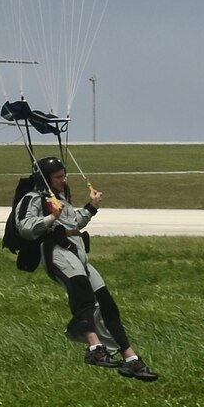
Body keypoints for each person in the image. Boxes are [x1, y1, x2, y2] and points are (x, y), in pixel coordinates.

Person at [10, 156, 157, 381]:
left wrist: (92, 207)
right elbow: (26, 228)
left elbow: (74, 223)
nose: (63, 180)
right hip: (55, 252)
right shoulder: (33, 199)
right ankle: (94, 349)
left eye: (64, 175)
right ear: (45, 179)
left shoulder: (60, 199)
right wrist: (51, 218)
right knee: (82, 294)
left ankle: (131, 359)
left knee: (107, 305)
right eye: (58, 177)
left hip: (78, 253)